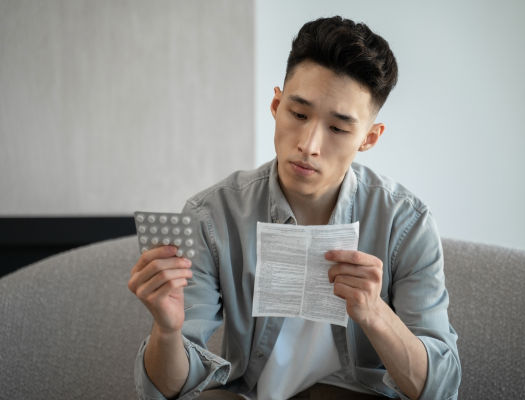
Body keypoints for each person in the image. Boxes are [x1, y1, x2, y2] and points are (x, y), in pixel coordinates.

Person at [128, 16, 460, 400]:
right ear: (276, 104)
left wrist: (374, 313)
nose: (309, 144)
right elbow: (171, 390)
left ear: (369, 138)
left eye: (338, 128)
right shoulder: (212, 216)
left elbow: (442, 389)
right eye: (298, 114)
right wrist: (167, 331)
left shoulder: (407, 224)